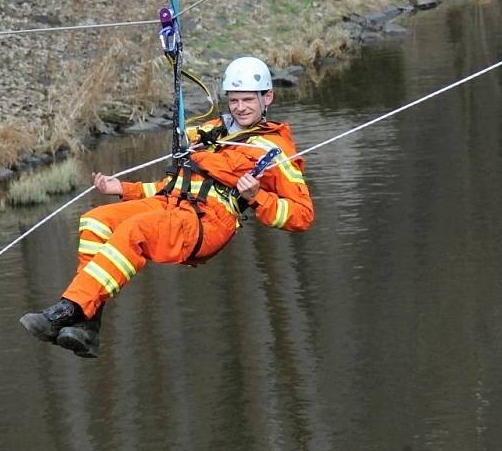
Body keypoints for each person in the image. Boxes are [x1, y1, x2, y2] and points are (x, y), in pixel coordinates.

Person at [20, 56, 314, 357]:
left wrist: (257, 197)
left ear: (268, 97)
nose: (240, 107)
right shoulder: (212, 131)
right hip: (171, 203)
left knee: (136, 230)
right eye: (234, 100)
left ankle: (68, 309)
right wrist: (124, 189)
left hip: (208, 222)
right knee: (97, 220)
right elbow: (177, 185)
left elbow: (302, 216)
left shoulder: (276, 150)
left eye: (248, 100)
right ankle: (87, 324)